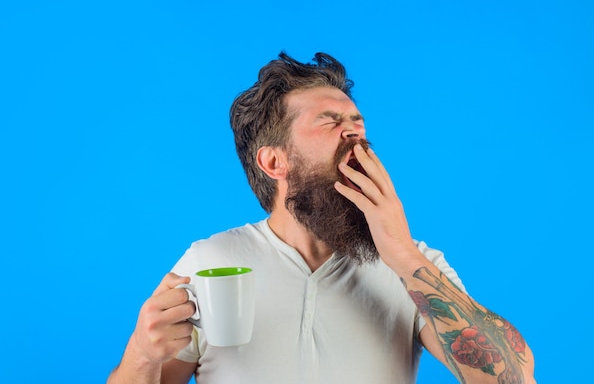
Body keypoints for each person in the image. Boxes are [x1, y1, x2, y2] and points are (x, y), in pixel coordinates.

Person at [107, 52, 536, 384]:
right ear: (274, 161)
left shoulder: (414, 265)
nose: (355, 132)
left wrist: (402, 254)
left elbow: (513, 378)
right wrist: (141, 355)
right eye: (330, 122)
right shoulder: (211, 261)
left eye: (357, 121)